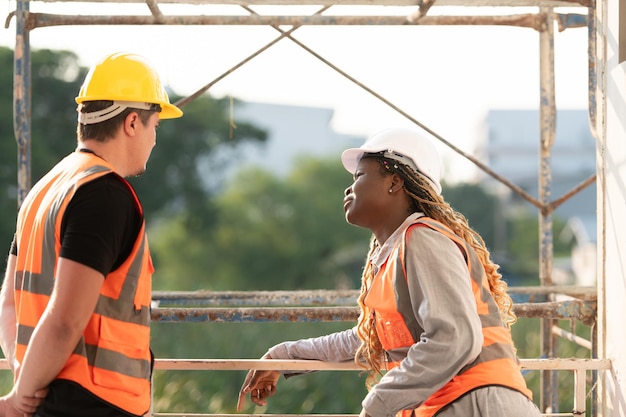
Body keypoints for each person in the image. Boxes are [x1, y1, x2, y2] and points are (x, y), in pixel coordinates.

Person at [237, 127, 541, 417]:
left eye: (360, 175)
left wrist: (379, 402)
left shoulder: (423, 238)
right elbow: (369, 341)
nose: (349, 186)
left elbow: (455, 337)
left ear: (394, 182)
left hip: (479, 404)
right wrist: (285, 355)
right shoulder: (397, 252)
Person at [0, 52, 183, 417]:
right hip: (90, 403)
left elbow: (8, 302)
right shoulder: (103, 194)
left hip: (45, 397)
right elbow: (66, 318)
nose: (154, 140)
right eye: (155, 127)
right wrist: (19, 398)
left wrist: (25, 375)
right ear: (132, 122)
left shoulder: (46, 189)